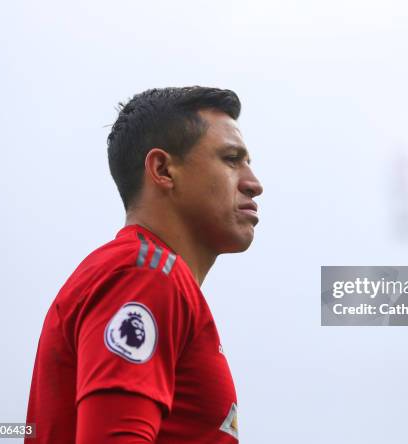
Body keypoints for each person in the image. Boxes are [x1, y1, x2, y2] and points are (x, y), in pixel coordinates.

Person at [25, 86, 263, 443]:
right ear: (163, 169)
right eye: (232, 159)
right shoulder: (145, 275)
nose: (254, 184)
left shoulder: (149, 274)